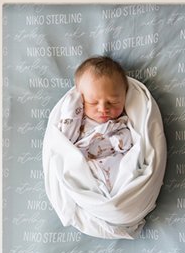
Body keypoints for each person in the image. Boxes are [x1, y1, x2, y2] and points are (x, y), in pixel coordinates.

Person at [42, 55, 167, 240]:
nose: (103, 109)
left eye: (113, 102)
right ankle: (101, 205)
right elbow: (64, 143)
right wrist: (71, 109)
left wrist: (119, 141)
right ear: (81, 100)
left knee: (128, 174)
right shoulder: (78, 121)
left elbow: (132, 146)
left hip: (115, 169)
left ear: (125, 97)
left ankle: (118, 204)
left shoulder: (121, 122)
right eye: (93, 102)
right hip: (86, 172)